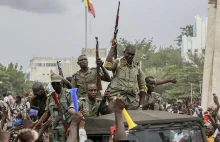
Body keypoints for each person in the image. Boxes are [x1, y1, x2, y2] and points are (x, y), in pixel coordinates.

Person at [34, 74, 82, 142]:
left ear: (62, 83)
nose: (55, 85)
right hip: (54, 129)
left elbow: (74, 109)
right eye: (53, 84)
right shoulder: (50, 97)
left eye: (57, 83)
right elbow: (47, 112)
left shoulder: (69, 94)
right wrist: (38, 123)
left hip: (67, 128)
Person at [104, 44, 146, 110]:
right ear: (124, 52)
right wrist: (113, 47)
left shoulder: (137, 68)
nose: (130, 56)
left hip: (131, 102)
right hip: (116, 99)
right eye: (128, 53)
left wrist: (140, 106)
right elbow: (107, 65)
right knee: (115, 118)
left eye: (132, 54)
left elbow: (143, 87)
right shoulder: (118, 63)